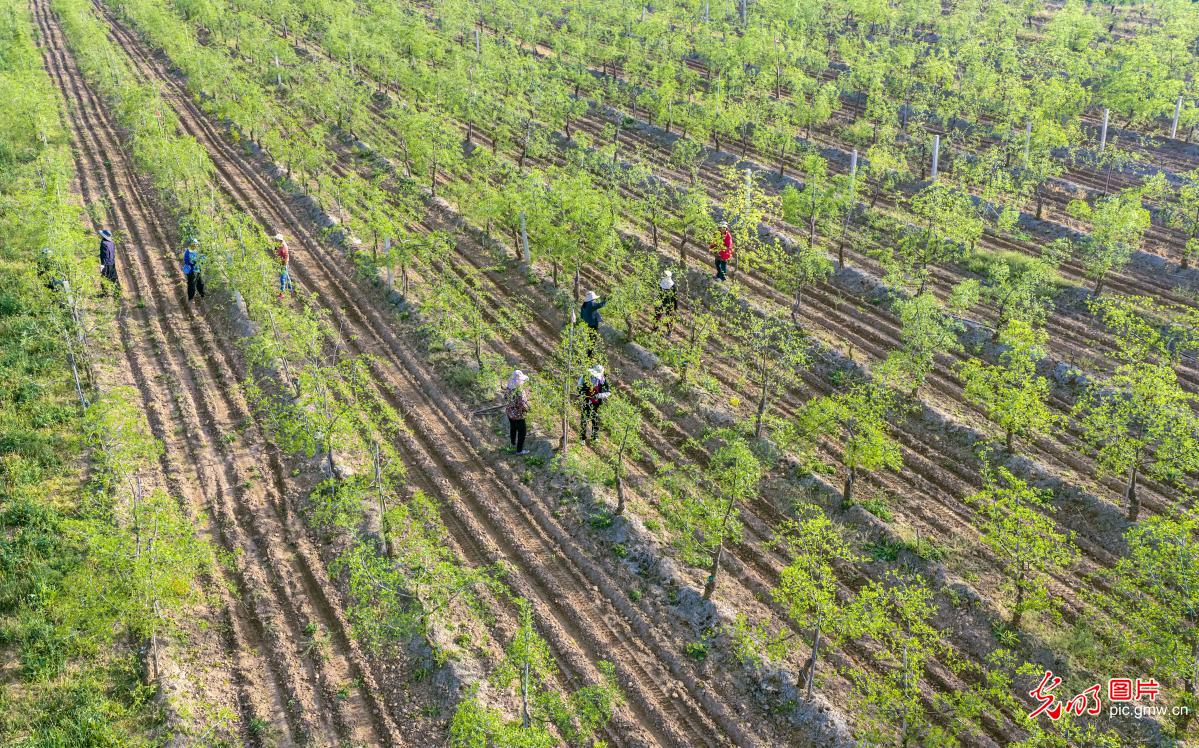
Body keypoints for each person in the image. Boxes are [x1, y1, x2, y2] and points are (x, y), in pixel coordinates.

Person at [577, 364, 610, 445]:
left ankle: (595, 436)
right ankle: (582, 438)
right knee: (584, 419)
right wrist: (582, 393)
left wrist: (599, 396)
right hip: (586, 401)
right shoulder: (585, 377)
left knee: (595, 420)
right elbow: (579, 386)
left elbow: (608, 392)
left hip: (596, 403)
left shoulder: (603, 380)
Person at [504, 369, 531, 455]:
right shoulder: (519, 391)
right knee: (522, 432)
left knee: (513, 428)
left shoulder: (509, 388)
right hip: (518, 415)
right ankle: (519, 450)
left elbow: (505, 397)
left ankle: (512, 443)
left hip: (509, 413)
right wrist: (529, 409)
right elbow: (522, 404)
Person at [652, 269, 678, 335]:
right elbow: (657, 293)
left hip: (669, 304)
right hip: (660, 302)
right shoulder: (660, 284)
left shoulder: (672, 286)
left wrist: (675, 306)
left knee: (669, 317)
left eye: (665, 275)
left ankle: (669, 331)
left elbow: (675, 297)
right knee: (657, 316)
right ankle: (655, 329)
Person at [182, 237, 205, 302]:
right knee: (191, 284)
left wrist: (202, 260)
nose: (195, 245)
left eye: (196, 244)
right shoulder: (187, 252)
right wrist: (193, 262)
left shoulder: (197, 251)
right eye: (194, 244)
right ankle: (191, 298)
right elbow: (187, 261)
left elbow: (203, 257)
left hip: (197, 270)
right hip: (191, 271)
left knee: (200, 283)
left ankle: (202, 295)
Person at [274, 232, 295, 300]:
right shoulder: (279, 244)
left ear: (280, 240)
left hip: (283, 263)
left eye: (276, 240)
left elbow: (285, 257)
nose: (275, 241)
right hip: (282, 262)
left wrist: (283, 265)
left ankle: (282, 294)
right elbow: (276, 249)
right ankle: (290, 289)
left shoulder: (284, 248)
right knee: (287, 275)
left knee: (282, 279)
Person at [98, 229, 118, 295]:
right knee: (113, 278)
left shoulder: (103, 243)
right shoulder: (112, 243)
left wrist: (102, 265)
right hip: (112, 262)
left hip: (106, 263)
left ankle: (105, 293)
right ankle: (117, 292)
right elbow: (112, 253)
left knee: (104, 278)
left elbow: (105, 255)